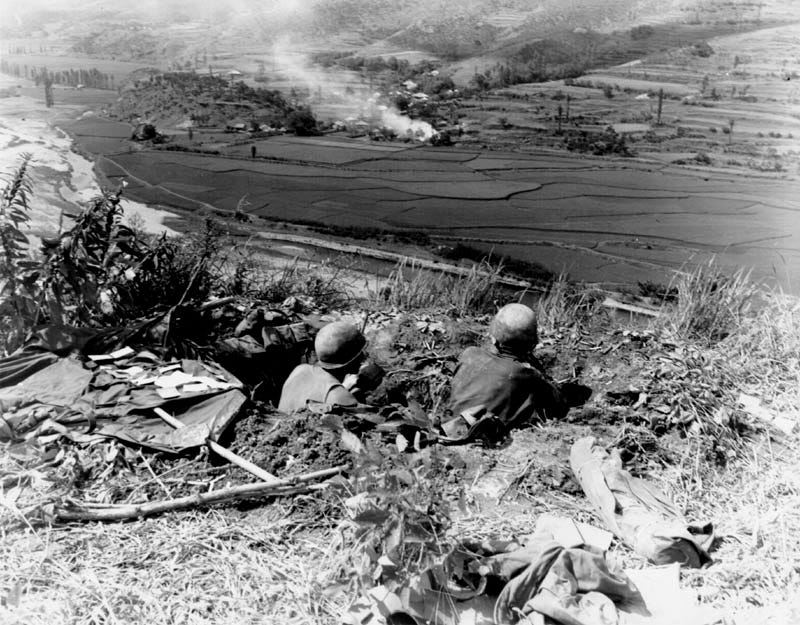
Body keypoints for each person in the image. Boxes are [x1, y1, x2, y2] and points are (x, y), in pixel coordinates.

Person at [449, 303, 589, 431]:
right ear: (532, 342)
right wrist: (537, 371)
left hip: (450, 425)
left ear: (493, 335)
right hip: (485, 436)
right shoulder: (527, 375)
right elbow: (559, 406)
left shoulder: (470, 354)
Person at [278, 320, 382, 414]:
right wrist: (344, 394)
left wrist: (342, 388)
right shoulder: (340, 398)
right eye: (360, 356)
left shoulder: (300, 370)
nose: (363, 359)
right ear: (350, 362)